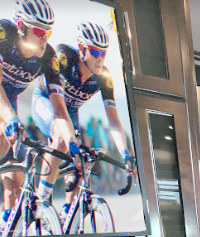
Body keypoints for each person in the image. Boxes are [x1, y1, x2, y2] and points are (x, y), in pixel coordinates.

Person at [0, 0, 80, 234]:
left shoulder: (48, 56)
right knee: (1, 136)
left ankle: (0, 233)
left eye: (48, 32)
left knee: (14, 187)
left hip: (8, 103)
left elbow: (60, 111)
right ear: (21, 26)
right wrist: (11, 119)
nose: (44, 38)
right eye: (38, 31)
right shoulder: (2, 32)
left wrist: (72, 144)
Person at [32, 20, 135, 217]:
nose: (100, 58)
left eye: (104, 53)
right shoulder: (64, 57)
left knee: (83, 160)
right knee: (61, 138)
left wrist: (125, 153)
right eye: (95, 52)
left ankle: (66, 214)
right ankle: (41, 200)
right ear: (82, 49)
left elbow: (113, 120)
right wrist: (70, 140)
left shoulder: (104, 77)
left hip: (70, 112)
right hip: (46, 102)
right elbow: (58, 108)